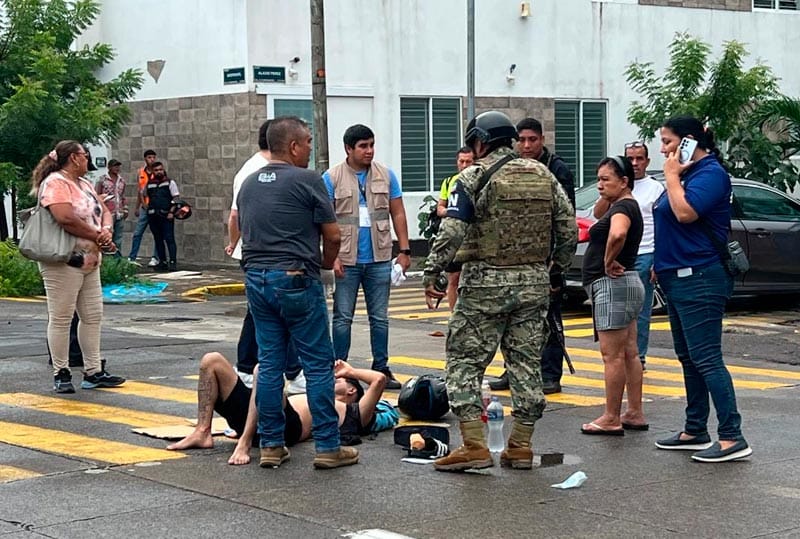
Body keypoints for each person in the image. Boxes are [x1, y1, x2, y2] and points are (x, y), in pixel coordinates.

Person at [423, 111, 576, 471]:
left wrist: (433, 270)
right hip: (533, 285)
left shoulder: (472, 177)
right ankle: (520, 445)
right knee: (525, 363)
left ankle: (474, 445)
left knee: (464, 360)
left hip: (485, 286)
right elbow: (568, 227)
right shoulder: (543, 175)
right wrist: (556, 268)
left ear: (479, 140)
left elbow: (452, 231)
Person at [238, 115, 357, 469]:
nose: (310, 147)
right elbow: (333, 235)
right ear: (292, 146)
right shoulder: (308, 181)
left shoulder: (248, 184)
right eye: (307, 141)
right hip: (296, 278)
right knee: (318, 364)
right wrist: (324, 264)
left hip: (257, 279)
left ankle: (272, 445)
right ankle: (328, 446)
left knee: (271, 364)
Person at [653, 115, 752, 463]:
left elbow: (685, 214)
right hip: (675, 275)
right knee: (688, 356)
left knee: (707, 357)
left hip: (700, 277)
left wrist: (670, 177)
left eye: (668, 141)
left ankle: (732, 436)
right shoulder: (686, 175)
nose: (662, 149)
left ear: (688, 142)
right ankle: (695, 428)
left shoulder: (710, 174)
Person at [31, 140, 125, 393]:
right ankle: (61, 372)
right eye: (85, 155)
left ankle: (93, 370)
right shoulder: (55, 183)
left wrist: (105, 230)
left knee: (92, 316)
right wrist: (98, 235)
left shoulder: (83, 184)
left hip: (90, 261)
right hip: (64, 260)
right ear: (73, 158)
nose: (88, 160)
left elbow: (103, 210)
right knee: (61, 317)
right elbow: (65, 218)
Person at [490, 117, 576, 394]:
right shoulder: (511, 166)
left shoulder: (557, 169)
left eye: (532, 140)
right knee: (511, 318)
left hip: (546, 256)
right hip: (515, 254)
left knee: (549, 320)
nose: (526, 146)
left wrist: (557, 266)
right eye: (522, 140)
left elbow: (565, 219)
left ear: (541, 140)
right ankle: (512, 370)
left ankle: (550, 374)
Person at [323, 124, 412, 390]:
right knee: (342, 318)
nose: (369, 151)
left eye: (371, 145)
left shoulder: (386, 175)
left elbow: (398, 213)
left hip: (379, 257)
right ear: (349, 149)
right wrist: (331, 257)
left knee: (380, 317)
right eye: (363, 146)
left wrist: (404, 251)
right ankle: (340, 368)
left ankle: (381, 368)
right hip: (346, 260)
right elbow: (324, 220)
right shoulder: (332, 177)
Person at [225, 119, 305, 393]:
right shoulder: (260, 171)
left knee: (264, 313)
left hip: (261, 254)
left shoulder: (252, 169)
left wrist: (234, 243)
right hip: (268, 255)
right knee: (283, 312)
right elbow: (236, 215)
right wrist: (235, 243)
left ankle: (252, 368)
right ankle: (283, 372)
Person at [579, 156, 646, 435]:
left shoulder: (623, 208)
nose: (600, 184)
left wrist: (607, 260)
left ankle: (611, 416)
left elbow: (617, 234)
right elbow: (597, 213)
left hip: (612, 284)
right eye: (599, 179)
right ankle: (634, 412)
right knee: (630, 352)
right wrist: (606, 196)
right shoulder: (621, 205)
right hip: (628, 283)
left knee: (612, 356)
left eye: (606, 179)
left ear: (624, 182)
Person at [595, 142, 664, 371]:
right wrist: (608, 190)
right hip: (618, 257)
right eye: (631, 159)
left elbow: (621, 232)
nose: (635, 163)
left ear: (647, 161)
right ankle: (629, 357)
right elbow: (598, 213)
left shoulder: (654, 188)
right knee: (623, 318)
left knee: (639, 312)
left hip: (644, 253)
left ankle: (638, 357)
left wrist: (658, 259)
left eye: (640, 158)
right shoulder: (616, 191)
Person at [436, 146, 475, 310]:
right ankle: (453, 316)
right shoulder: (449, 182)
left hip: (473, 238)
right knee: (454, 278)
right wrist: (452, 212)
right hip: (455, 237)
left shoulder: (480, 181)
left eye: (469, 162)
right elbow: (440, 207)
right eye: (462, 161)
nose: (465, 165)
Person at [144, 162, 179, 271]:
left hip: (166, 215)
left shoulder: (170, 182)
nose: (159, 172)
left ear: (163, 170)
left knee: (169, 239)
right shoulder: (149, 184)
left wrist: (171, 212)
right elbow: (144, 195)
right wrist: (146, 208)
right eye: (156, 170)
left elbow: (176, 198)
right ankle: (162, 262)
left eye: (160, 170)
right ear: (153, 172)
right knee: (158, 240)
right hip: (153, 216)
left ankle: (172, 262)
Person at [128, 149, 158, 266]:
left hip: (155, 207)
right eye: (149, 157)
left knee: (156, 232)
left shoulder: (158, 171)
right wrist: (137, 207)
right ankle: (132, 257)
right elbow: (139, 192)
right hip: (145, 207)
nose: (152, 159)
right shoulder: (141, 172)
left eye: (153, 157)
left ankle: (155, 257)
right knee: (137, 232)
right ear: (145, 158)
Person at [95, 159, 127, 256]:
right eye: (115, 166)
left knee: (118, 238)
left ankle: (117, 260)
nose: (117, 168)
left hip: (119, 212)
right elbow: (97, 195)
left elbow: (123, 196)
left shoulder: (121, 181)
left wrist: (125, 209)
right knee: (108, 237)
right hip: (108, 211)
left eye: (118, 166)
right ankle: (106, 260)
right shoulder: (102, 180)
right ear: (109, 167)